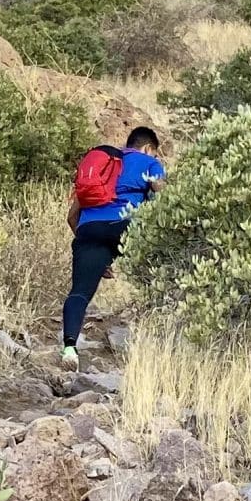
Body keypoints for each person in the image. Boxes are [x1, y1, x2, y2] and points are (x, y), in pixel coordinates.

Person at [61, 125, 164, 367]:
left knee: (79, 292)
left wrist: (100, 252)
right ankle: (156, 340)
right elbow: (161, 192)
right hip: (125, 225)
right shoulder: (149, 162)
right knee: (158, 272)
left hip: (89, 228)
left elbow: (72, 216)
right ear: (148, 148)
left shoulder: (104, 163)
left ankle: (69, 349)